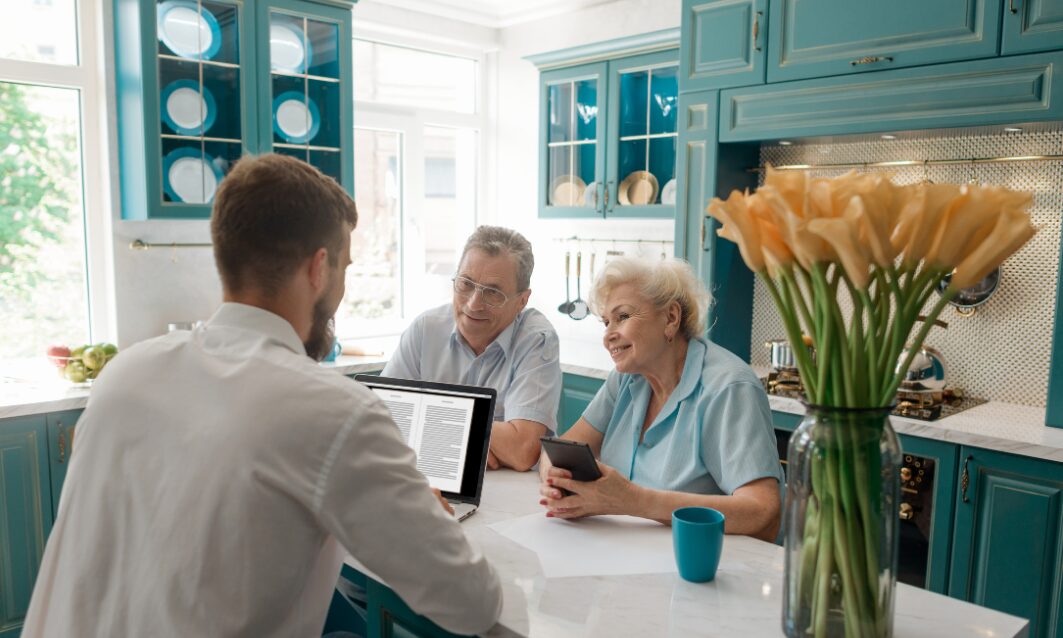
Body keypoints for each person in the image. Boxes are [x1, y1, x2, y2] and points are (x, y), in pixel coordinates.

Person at [23, 154, 502, 637]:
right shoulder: (334, 412)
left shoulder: (124, 374)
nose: (341, 287)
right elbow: (474, 603)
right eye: (344, 267)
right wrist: (410, 505)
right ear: (319, 268)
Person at [538, 256, 783, 542]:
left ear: (671, 318)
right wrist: (554, 481)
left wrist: (632, 500)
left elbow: (763, 511)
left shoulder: (729, 387)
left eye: (623, 317)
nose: (608, 336)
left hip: (704, 566)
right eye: (606, 322)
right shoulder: (628, 376)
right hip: (627, 554)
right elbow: (561, 448)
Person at [383, 225, 561, 472]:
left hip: (510, 498)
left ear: (522, 301)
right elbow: (382, 422)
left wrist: (426, 423)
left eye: (493, 292)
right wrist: (470, 444)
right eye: (466, 284)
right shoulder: (426, 329)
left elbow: (522, 450)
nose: (474, 303)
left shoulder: (536, 340)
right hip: (430, 476)